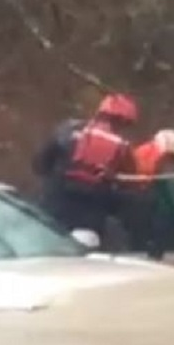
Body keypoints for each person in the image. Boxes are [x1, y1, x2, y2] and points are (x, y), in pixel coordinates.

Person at [33, 94, 138, 240]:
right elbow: (129, 190)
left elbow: (39, 164)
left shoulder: (67, 130)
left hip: (50, 210)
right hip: (89, 221)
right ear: (124, 122)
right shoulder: (123, 148)